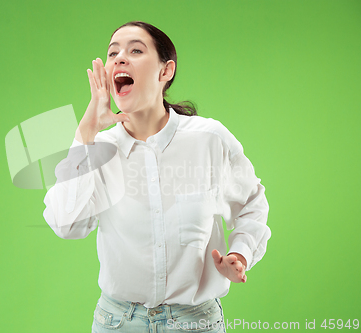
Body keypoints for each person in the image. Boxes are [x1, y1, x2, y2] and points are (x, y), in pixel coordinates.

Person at [43, 21, 271, 333]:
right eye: (113, 54)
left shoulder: (209, 139)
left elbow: (251, 204)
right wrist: (86, 132)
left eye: (136, 50)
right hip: (118, 322)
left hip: (195, 322)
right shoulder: (100, 149)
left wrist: (240, 254)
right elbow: (66, 224)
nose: (120, 58)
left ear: (165, 72)